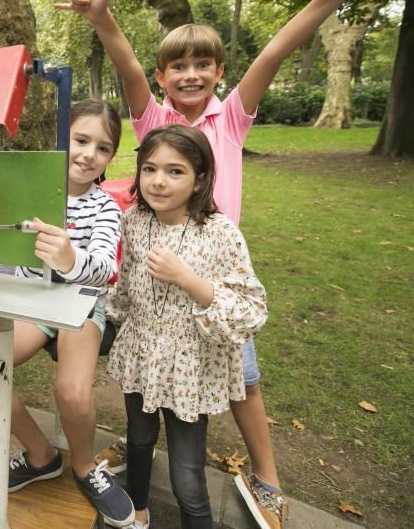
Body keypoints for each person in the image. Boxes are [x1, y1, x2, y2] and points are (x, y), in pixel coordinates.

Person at [57, 0, 405, 529]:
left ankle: (267, 477)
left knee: (242, 380)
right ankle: (137, 459)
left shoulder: (232, 114)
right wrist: (103, 19)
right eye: (178, 66)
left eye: (202, 65)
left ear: (218, 71)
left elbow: (275, 48)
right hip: (152, 290)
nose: (189, 75)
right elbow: (127, 63)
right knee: (146, 379)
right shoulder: (155, 119)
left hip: (213, 271)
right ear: (164, 76)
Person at [0, 98, 136, 527]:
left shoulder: (105, 207)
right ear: (63, 139)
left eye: (102, 147)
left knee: (72, 394)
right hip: (31, 301)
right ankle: (41, 455)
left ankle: (83, 467)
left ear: (111, 157)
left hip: (79, 303)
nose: (88, 154)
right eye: (80, 140)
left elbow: (106, 269)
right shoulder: (29, 189)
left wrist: (69, 258)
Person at [109, 124, 268, 528]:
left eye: (175, 171)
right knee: (140, 441)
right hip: (141, 357)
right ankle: (138, 513)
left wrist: (189, 280)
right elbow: (125, 286)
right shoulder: (135, 221)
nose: (158, 181)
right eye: (149, 169)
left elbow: (252, 311)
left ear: (200, 178)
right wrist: (97, 317)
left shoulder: (220, 233)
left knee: (187, 478)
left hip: (190, 371)